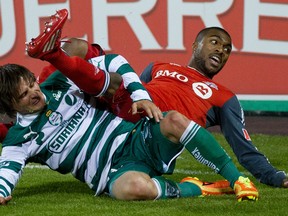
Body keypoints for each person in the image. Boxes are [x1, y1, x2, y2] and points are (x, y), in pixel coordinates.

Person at [0, 9, 258, 205]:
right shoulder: (18, 139)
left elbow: (115, 61)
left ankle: (237, 180)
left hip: (135, 137)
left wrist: (140, 94)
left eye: (32, 84)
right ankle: (196, 187)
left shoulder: (56, 81)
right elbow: (7, 171)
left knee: (174, 120)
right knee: (133, 189)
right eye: (24, 94)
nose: (35, 92)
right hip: (110, 173)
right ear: (11, 105)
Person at [53, 28, 288, 188]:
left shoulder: (225, 97)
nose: (221, 50)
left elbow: (243, 146)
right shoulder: (158, 66)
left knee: (113, 78)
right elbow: (138, 91)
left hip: (158, 137)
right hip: (126, 122)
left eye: (227, 49)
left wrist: (274, 176)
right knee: (78, 47)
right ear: (196, 45)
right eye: (215, 42)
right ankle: (47, 84)